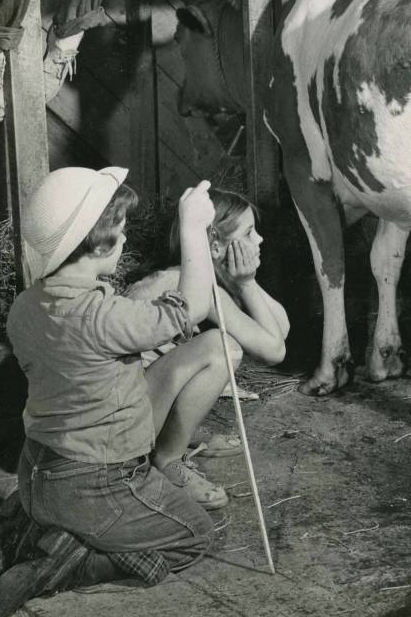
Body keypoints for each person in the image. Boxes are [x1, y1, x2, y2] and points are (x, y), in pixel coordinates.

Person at [0, 169, 219, 617]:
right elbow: (192, 308)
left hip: (36, 472)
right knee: (196, 535)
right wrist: (193, 227)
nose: (125, 241)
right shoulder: (105, 317)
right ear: (100, 246)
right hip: (98, 483)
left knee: (57, 503)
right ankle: (71, 564)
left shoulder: (24, 308)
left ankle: (11, 538)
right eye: (121, 233)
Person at [123, 188, 289, 509]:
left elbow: (280, 329)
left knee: (204, 350)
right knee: (221, 349)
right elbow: (275, 351)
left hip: (136, 405)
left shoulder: (184, 275)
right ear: (214, 246)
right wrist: (247, 283)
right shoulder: (196, 288)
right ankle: (167, 458)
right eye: (250, 233)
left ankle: (177, 431)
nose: (261, 240)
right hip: (128, 426)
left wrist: (247, 282)